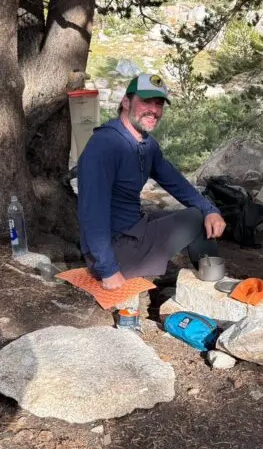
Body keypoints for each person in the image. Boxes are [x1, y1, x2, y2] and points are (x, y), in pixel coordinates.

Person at [76, 72, 227, 290]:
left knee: (201, 213)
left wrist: (209, 209)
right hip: (114, 251)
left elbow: (175, 182)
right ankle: (211, 286)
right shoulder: (104, 145)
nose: (154, 110)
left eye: (159, 104)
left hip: (132, 231)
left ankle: (206, 280)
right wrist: (108, 269)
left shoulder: (147, 144)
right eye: (146, 101)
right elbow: (91, 212)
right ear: (126, 102)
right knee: (195, 219)